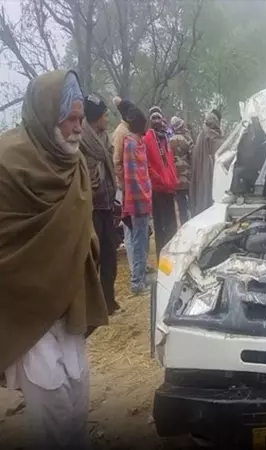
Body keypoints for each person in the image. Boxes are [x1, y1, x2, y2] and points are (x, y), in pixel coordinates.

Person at [0, 70, 108, 449]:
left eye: (81, 119)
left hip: (69, 301)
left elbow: (81, 227)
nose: (79, 128)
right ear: (47, 115)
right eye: (71, 119)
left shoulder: (73, 163)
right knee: (51, 414)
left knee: (77, 399)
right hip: (27, 310)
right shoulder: (7, 163)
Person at [81, 93, 120, 315]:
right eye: (105, 115)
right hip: (92, 208)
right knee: (93, 258)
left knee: (109, 256)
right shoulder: (82, 144)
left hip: (107, 205)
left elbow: (110, 172)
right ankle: (92, 306)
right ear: (97, 118)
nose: (108, 119)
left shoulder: (105, 141)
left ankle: (109, 301)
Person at [122, 105, 153, 295]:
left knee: (143, 241)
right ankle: (137, 283)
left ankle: (141, 278)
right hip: (138, 201)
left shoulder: (138, 143)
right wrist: (143, 197)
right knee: (139, 243)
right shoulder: (130, 144)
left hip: (144, 199)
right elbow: (132, 177)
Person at [144, 106, 178, 257]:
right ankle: (162, 260)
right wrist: (158, 178)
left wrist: (172, 178)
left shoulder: (166, 138)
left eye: (159, 117)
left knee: (172, 227)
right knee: (161, 228)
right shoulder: (147, 139)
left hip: (169, 188)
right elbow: (147, 164)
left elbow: (169, 161)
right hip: (158, 189)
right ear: (150, 121)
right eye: (154, 118)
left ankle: (172, 258)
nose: (157, 121)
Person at [190, 109, 225, 217]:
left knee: (201, 205)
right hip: (213, 181)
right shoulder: (215, 138)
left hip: (200, 180)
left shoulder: (200, 137)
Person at [170, 116, 194, 225]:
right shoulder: (187, 139)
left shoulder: (169, 141)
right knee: (193, 205)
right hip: (188, 178)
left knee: (182, 207)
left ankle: (184, 226)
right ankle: (194, 224)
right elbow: (193, 156)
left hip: (176, 179)